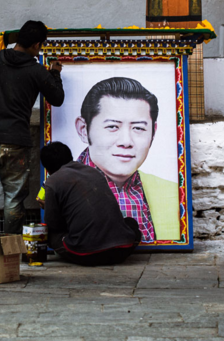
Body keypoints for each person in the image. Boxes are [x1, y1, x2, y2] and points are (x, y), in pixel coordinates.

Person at [0, 20, 64, 234]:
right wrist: (55, 73)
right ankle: (11, 248)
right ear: (37, 45)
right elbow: (57, 99)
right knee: (13, 198)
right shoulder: (37, 71)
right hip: (16, 143)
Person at [74, 77, 179, 243]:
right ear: (83, 129)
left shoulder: (174, 192)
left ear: (153, 132)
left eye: (138, 128)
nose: (126, 141)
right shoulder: (63, 184)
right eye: (112, 127)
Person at [41, 141, 141, 266]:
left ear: (48, 167)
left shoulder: (52, 181)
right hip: (122, 250)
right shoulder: (93, 172)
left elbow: (53, 224)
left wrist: (46, 205)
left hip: (88, 255)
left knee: (48, 234)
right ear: (69, 157)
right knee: (130, 223)